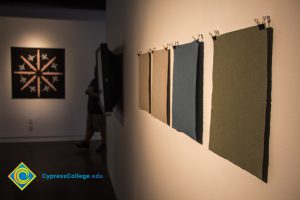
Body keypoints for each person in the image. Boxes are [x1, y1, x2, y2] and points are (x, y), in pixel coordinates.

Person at [76, 67, 106, 152]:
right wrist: (92, 93)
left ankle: (104, 144)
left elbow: (90, 92)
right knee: (89, 127)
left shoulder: (100, 81)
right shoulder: (95, 80)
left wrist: (92, 93)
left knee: (102, 128)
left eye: (95, 70)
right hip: (91, 109)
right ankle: (86, 142)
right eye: (94, 70)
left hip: (98, 110)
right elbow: (88, 91)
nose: (94, 72)